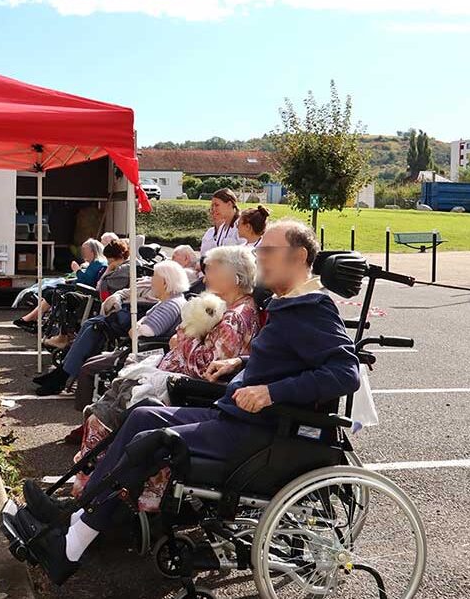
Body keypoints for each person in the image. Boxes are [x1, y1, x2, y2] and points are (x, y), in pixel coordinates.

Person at [20, 220, 360, 585]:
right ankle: (75, 514)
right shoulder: (288, 304)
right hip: (235, 416)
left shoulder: (312, 307)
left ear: (299, 256)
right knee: (143, 416)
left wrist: (270, 392)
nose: (259, 256)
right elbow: (287, 358)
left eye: (267, 250)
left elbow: (345, 372)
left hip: (259, 431)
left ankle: (72, 545)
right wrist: (241, 362)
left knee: (151, 441)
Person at [69, 245, 259, 458]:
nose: (205, 278)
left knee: (108, 410)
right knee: (114, 395)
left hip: (186, 388)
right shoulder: (232, 308)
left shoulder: (234, 318)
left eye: (212, 270)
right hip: (174, 377)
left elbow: (208, 368)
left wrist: (184, 337)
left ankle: (93, 468)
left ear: (233, 278)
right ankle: (93, 464)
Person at [33, 261, 190, 395]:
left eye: (154, 277)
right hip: (141, 346)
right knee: (92, 325)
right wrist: (138, 324)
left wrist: (137, 325)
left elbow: (144, 332)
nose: (151, 281)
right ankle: (61, 373)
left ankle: (61, 375)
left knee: (94, 328)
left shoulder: (170, 305)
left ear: (165, 282)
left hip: (146, 351)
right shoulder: (170, 301)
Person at [43, 240, 131, 349]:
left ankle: (64, 336)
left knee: (67, 297)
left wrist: (108, 270)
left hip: (103, 302)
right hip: (105, 299)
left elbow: (100, 287)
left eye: (109, 260)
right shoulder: (126, 267)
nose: (108, 263)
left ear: (113, 258)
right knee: (66, 296)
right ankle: (65, 335)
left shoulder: (121, 271)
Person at [14, 239, 106, 332]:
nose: (82, 252)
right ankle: (33, 317)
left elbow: (86, 280)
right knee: (50, 291)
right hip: (82, 291)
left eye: (85, 250)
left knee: (51, 293)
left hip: (85, 293)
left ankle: (32, 318)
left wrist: (77, 270)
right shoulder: (95, 263)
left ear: (93, 251)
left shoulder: (97, 263)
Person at [199, 188, 243, 256]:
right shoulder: (222, 228)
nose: (214, 209)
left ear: (229, 204)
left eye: (217, 205)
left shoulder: (241, 226)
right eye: (212, 206)